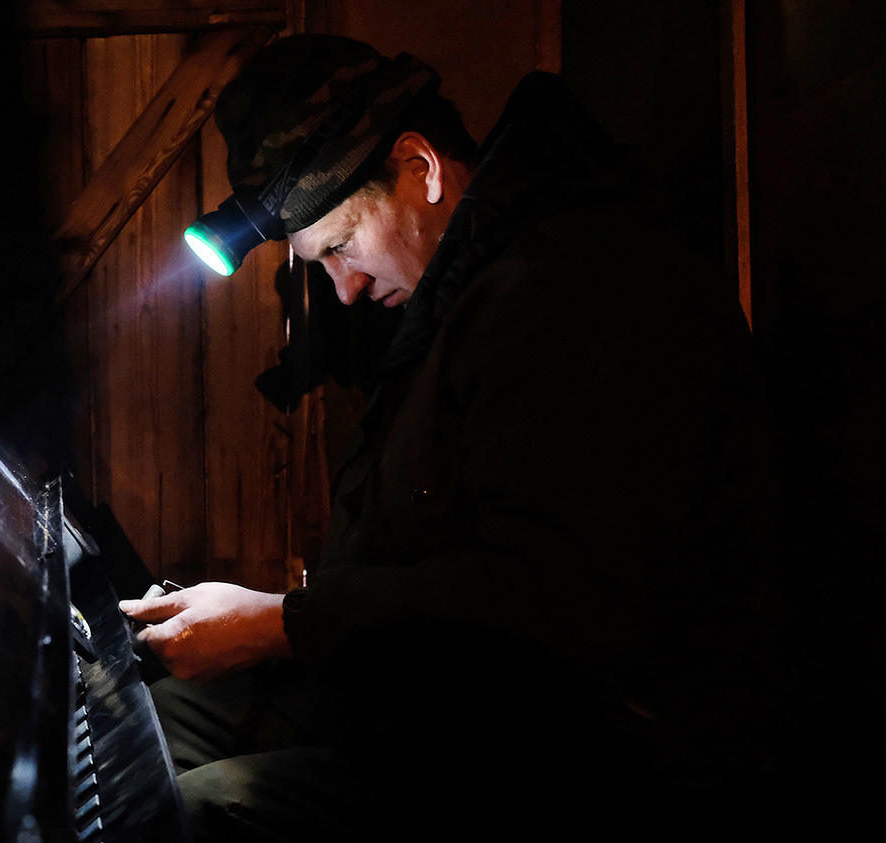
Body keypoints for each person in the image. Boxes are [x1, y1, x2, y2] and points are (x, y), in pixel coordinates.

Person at [120, 35, 783, 839]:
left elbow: (555, 604)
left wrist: (280, 623)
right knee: (152, 723)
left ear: (422, 168)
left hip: (574, 763)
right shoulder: (463, 296)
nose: (348, 288)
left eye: (339, 248)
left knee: (204, 808)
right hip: (433, 705)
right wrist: (277, 627)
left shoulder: (582, 291)